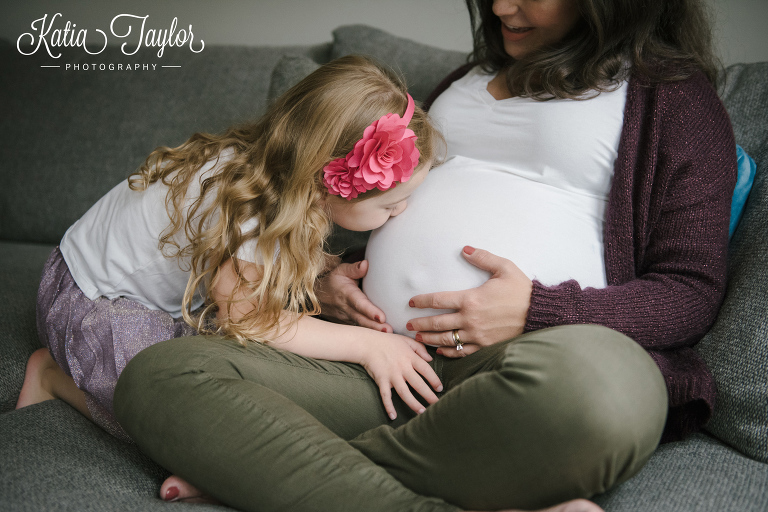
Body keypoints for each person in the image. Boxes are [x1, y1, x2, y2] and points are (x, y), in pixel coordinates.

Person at [113, 0, 736, 511]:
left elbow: (689, 291)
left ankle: (281, 472)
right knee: (159, 376)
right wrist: (327, 277)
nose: (501, 6)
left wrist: (534, 310)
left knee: (612, 394)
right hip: (372, 368)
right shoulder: (460, 83)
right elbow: (363, 204)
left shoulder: (673, 100)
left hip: (521, 371)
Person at [16, 55, 443, 440]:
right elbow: (250, 318)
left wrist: (318, 282)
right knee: (168, 406)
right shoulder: (251, 207)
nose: (402, 210)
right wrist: (369, 347)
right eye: (390, 204)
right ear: (326, 182)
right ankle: (53, 377)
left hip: (103, 284)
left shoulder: (274, 176)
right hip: (89, 303)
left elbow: (256, 275)